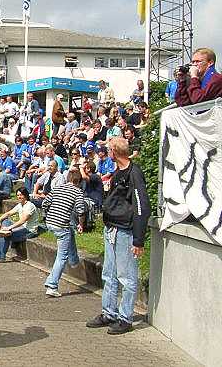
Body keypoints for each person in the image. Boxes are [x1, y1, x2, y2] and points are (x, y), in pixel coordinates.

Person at [86, 137, 150, 335]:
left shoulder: (134, 173)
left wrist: (138, 239)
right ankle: (109, 312)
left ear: (114, 151)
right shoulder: (117, 173)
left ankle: (125, 317)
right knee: (109, 274)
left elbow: (142, 207)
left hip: (125, 231)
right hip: (111, 228)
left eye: (108, 150)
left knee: (126, 276)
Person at [42, 170, 86, 297]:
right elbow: (81, 211)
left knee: (69, 232)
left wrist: (47, 215)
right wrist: (81, 224)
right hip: (61, 225)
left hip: (50, 222)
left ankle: (74, 261)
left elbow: (45, 203)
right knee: (62, 256)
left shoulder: (58, 188)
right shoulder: (77, 192)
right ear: (78, 181)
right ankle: (52, 285)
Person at [0, 188, 40, 263]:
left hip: (29, 230)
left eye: (21, 195)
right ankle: (4, 232)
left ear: (25, 195)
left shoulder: (30, 206)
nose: (19, 197)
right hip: (21, 228)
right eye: (18, 195)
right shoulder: (20, 205)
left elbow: (23, 221)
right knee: (5, 221)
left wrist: (9, 227)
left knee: (5, 235)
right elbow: (9, 213)